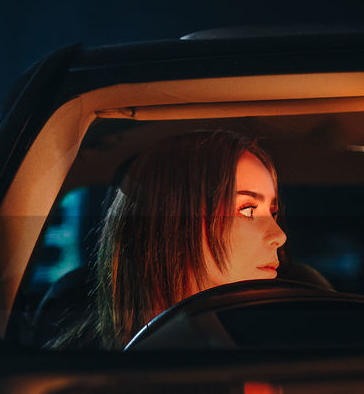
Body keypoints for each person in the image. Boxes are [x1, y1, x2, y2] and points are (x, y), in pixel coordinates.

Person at [51, 130, 286, 350]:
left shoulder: (285, 344)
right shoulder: (75, 368)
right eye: (247, 210)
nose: (279, 236)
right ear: (173, 222)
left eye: (273, 212)